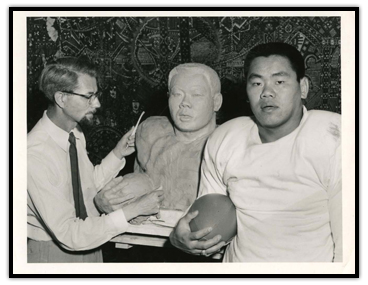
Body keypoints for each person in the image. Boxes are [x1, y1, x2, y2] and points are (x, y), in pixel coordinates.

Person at [169, 42, 342, 262]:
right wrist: (180, 237)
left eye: (279, 82)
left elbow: (352, 245)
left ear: (304, 87)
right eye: (257, 83)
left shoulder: (332, 136)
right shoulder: (225, 138)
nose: (267, 93)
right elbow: (207, 226)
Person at [27, 57, 164, 263]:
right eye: (89, 97)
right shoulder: (34, 154)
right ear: (62, 98)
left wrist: (117, 153)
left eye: (96, 95)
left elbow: (86, 188)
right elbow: (68, 234)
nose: (97, 104)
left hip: (91, 240)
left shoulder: (74, 133)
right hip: (55, 252)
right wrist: (133, 210)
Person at [94, 63, 223, 262]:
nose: (184, 103)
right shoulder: (150, 131)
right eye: (177, 94)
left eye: (196, 95)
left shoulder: (228, 144)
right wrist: (108, 201)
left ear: (216, 102)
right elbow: (140, 183)